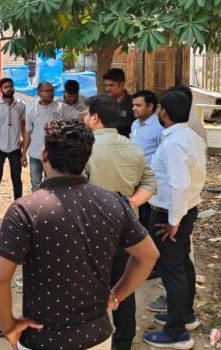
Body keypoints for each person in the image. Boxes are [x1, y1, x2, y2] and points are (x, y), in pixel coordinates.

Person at [0, 119, 159, 350]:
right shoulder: (114, 203)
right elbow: (148, 255)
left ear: (44, 155)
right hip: (97, 336)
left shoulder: (26, 210)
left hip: (43, 338)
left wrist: (9, 326)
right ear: (86, 159)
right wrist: (117, 295)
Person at [82, 95, 157, 350]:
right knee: (123, 286)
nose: (84, 118)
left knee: (91, 286)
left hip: (92, 230)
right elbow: (150, 183)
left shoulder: (86, 149)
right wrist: (131, 204)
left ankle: (93, 338)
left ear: (95, 118)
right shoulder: (132, 147)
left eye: (86, 114)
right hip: (126, 229)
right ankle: (123, 341)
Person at [143, 90, 206, 349]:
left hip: (169, 215)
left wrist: (173, 222)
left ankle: (176, 333)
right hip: (185, 209)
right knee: (182, 264)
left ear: (164, 113)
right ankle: (184, 315)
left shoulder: (173, 144)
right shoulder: (190, 137)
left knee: (172, 271)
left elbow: (179, 185)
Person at [22, 81, 82, 190]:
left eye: (52, 91)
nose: (51, 93)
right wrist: (24, 153)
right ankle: (37, 201)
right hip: (35, 154)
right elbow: (28, 133)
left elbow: (79, 116)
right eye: (47, 91)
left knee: (52, 185)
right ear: (39, 93)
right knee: (35, 184)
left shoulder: (61, 107)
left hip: (54, 155)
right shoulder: (32, 111)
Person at [0, 77, 26, 222]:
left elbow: (23, 124)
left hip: (15, 148)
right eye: (5, 87)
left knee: (17, 180)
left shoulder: (20, 104)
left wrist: (24, 142)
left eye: (10, 86)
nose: (9, 89)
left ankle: (19, 211)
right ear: (1, 89)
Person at [130, 90, 162, 165]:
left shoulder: (159, 127)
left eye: (138, 105)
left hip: (150, 171)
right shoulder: (135, 124)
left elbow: (163, 155)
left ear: (150, 106)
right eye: (133, 105)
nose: (133, 108)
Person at [103, 68, 135, 137]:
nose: (107, 89)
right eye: (106, 85)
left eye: (111, 85)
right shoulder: (103, 103)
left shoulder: (133, 103)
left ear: (121, 84)